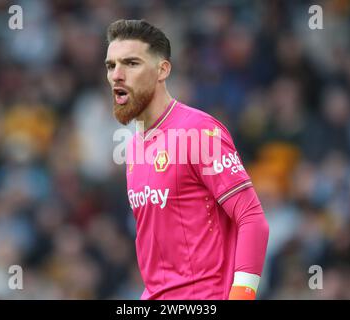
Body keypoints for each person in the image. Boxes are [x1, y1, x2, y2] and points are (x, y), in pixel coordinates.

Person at [105, 19, 269, 300]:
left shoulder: (198, 132)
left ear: (162, 70)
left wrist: (242, 295)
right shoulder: (133, 148)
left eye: (131, 63)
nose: (117, 75)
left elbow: (252, 220)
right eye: (111, 65)